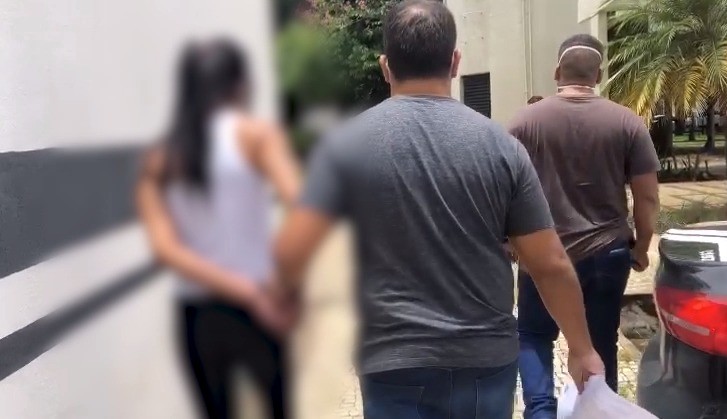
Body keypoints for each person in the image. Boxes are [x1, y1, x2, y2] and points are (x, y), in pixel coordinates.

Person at [273, 2, 604, 418]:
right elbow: (550, 264)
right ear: (455, 62)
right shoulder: (502, 148)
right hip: (484, 363)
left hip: (392, 363)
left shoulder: (343, 149)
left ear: (385, 66)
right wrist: (582, 348)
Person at [136, 39, 300, 419]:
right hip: (260, 305)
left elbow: (166, 250)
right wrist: (281, 285)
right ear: (240, 85)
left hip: (197, 316)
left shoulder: (160, 157)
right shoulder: (256, 136)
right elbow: (302, 207)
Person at [508, 34, 660, 419]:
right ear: (599, 74)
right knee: (600, 341)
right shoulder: (627, 122)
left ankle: (540, 412)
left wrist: (507, 242)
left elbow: (501, 188)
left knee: (533, 336)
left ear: (557, 72)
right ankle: (597, 411)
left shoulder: (524, 122)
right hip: (607, 253)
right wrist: (642, 247)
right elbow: (647, 198)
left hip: (542, 255)